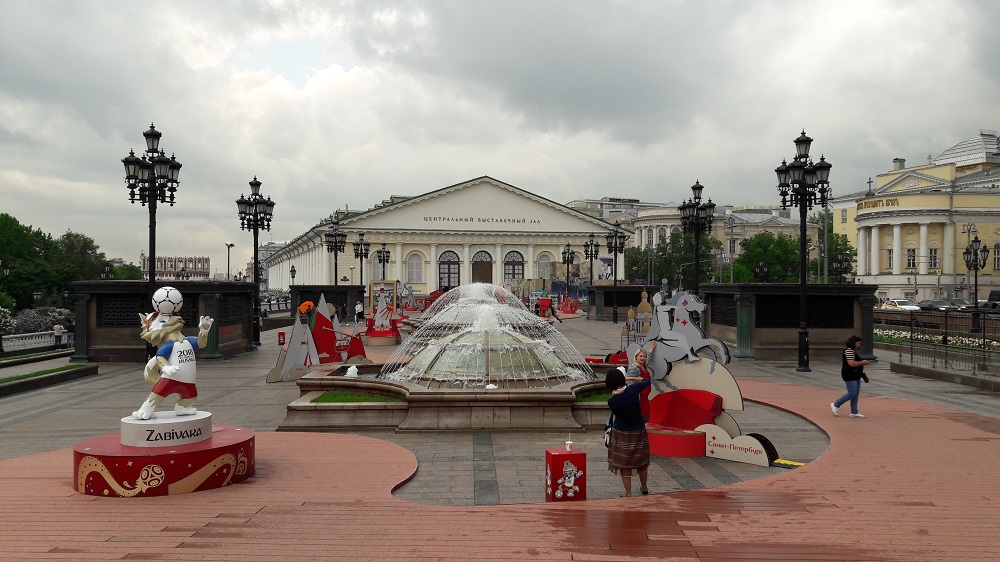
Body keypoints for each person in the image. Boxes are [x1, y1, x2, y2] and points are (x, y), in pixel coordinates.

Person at [606, 367, 651, 497]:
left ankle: (628, 493)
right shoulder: (633, 390)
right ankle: (644, 487)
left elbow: (617, 414)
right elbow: (646, 381)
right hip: (638, 431)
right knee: (641, 462)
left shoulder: (612, 401)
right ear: (622, 379)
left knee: (624, 465)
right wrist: (630, 378)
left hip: (621, 433)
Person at [831, 335, 870, 418]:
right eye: (859, 343)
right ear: (854, 343)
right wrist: (862, 363)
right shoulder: (849, 351)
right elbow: (851, 363)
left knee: (855, 394)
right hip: (850, 375)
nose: (860, 345)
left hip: (855, 375)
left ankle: (854, 412)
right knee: (852, 393)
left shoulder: (851, 351)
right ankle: (836, 404)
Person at [626, 342, 656, 421]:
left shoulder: (644, 365)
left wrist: (652, 348)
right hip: (638, 397)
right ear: (636, 357)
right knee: (639, 417)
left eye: (644, 356)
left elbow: (648, 359)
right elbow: (631, 385)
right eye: (641, 356)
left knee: (645, 417)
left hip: (645, 397)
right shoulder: (634, 368)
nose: (643, 358)